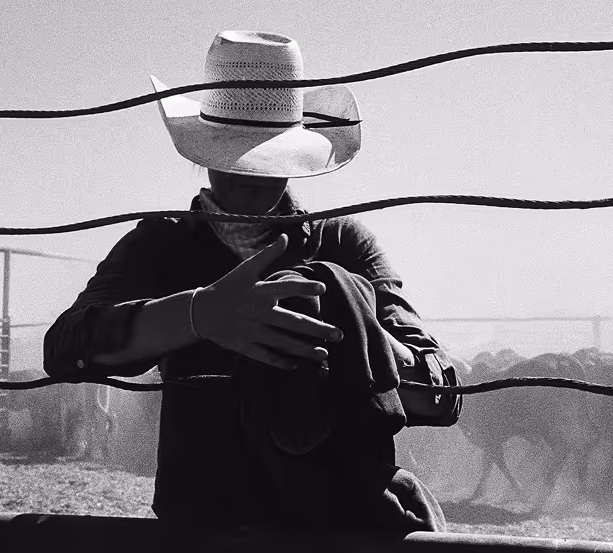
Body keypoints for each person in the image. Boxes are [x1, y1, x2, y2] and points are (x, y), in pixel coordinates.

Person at [45, 30, 461, 533]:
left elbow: (440, 394)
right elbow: (66, 346)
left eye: (269, 159)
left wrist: (353, 329)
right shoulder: (160, 245)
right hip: (209, 526)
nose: (251, 176)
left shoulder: (345, 243)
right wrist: (199, 315)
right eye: (235, 156)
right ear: (206, 153)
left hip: (335, 529)